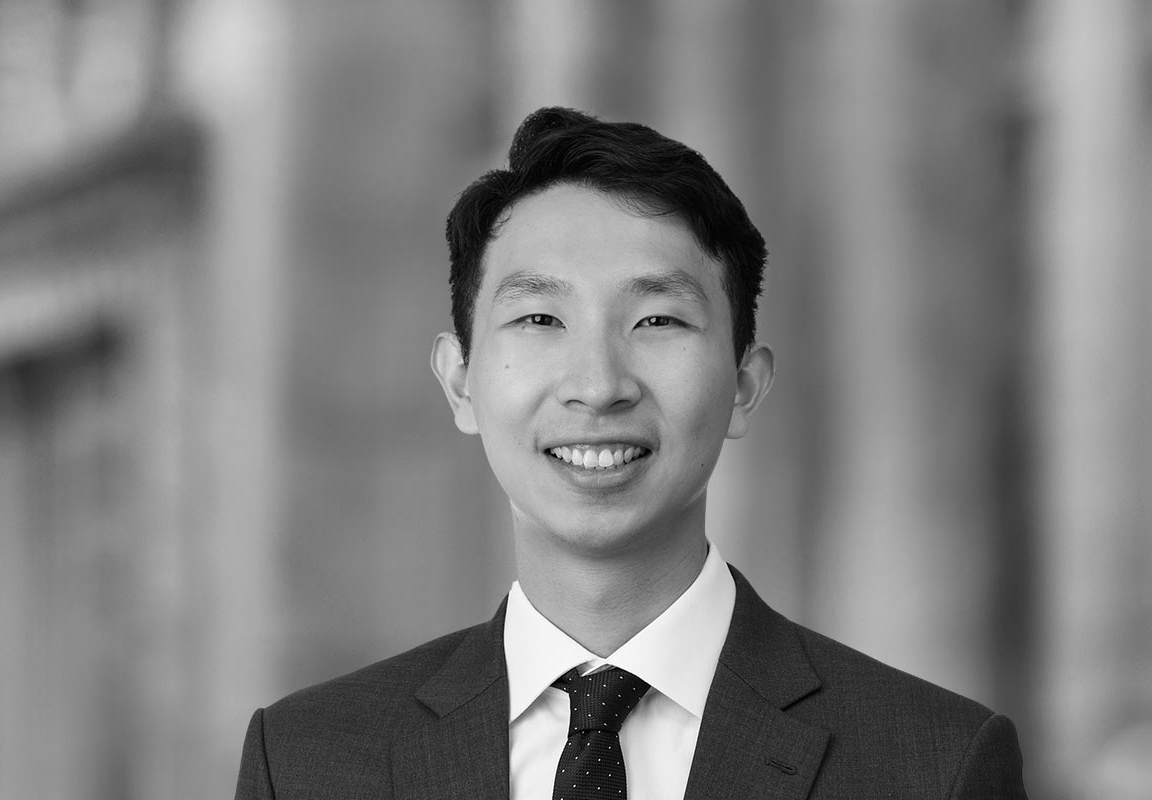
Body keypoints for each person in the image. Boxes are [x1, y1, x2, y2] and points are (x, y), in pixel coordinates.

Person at [233, 107, 1028, 799]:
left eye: (657, 321)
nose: (598, 385)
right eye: (540, 319)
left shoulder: (935, 765)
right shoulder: (306, 762)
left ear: (744, 384)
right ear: (460, 381)